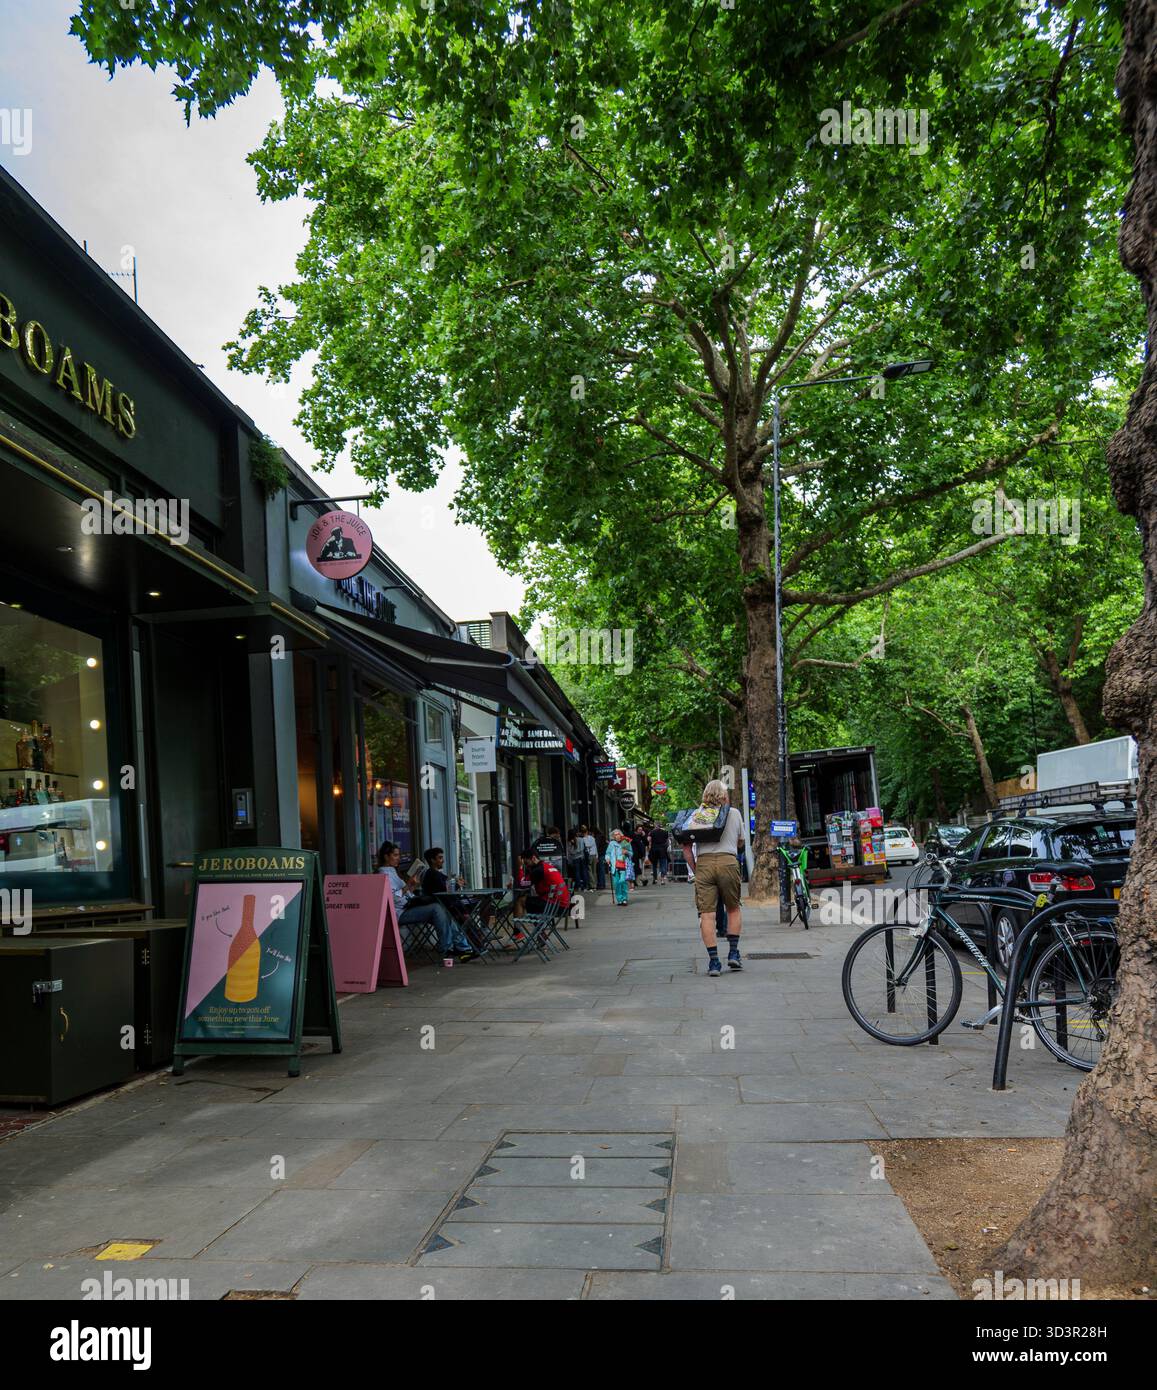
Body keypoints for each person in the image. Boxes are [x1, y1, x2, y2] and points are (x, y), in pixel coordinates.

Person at [680, 779, 746, 976]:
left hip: (705, 864)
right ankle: (733, 953)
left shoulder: (697, 815)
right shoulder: (733, 813)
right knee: (733, 908)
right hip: (728, 862)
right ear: (724, 795)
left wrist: (696, 868)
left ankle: (714, 962)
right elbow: (741, 841)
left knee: (706, 914)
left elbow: (686, 848)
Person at [376, 841, 477, 962]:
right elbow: (393, 898)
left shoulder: (393, 872)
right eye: (395, 855)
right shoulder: (384, 874)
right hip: (398, 913)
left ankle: (460, 947)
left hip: (407, 907)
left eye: (399, 855)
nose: (398, 858)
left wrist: (412, 886)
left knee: (444, 911)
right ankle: (450, 948)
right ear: (386, 856)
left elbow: (406, 893)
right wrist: (408, 884)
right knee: (437, 909)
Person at [522, 845, 571, 915]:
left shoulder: (538, 870)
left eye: (526, 863)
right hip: (564, 905)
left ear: (533, 858)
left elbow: (522, 884)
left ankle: (519, 926)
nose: (526, 866)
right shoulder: (546, 866)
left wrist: (520, 867)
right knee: (533, 900)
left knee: (521, 901)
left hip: (554, 907)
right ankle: (541, 924)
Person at [605, 830, 630, 906]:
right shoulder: (611, 844)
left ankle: (624, 898)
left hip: (623, 865)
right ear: (613, 836)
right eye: (615, 835)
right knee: (616, 883)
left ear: (621, 835)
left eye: (618, 834)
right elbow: (607, 853)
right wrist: (607, 858)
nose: (617, 836)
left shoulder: (625, 842)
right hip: (614, 866)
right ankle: (619, 899)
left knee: (622, 881)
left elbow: (631, 853)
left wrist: (627, 852)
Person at [582, 825, 598, 890]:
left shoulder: (583, 839)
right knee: (594, 871)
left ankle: (593, 885)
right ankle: (595, 885)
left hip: (589, 855)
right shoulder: (592, 838)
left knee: (589, 871)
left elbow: (587, 846)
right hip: (594, 855)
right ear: (587, 832)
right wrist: (597, 856)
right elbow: (595, 847)